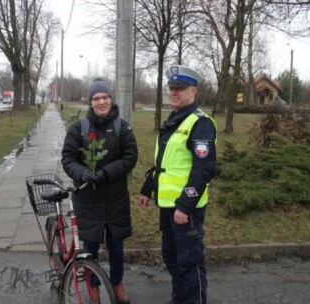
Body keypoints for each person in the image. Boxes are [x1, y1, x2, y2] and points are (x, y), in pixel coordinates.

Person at [137, 65, 217, 304]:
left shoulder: (200, 123)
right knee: (172, 258)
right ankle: (179, 299)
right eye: (171, 88)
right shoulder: (174, 120)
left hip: (186, 210)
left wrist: (185, 204)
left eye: (179, 88)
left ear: (193, 90)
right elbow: (165, 163)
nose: (174, 92)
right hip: (168, 205)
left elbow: (204, 169)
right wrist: (148, 189)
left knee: (189, 262)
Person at [61, 78, 138, 304]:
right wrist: (80, 172)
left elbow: (130, 157)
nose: (101, 102)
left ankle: (116, 282)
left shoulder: (122, 127)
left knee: (116, 246)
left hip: (115, 199)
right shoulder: (79, 128)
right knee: (90, 247)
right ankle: (93, 286)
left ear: (111, 100)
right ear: (90, 102)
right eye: (96, 98)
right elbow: (68, 158)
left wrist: (106, 172)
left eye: (105, 97)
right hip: (88, 200)